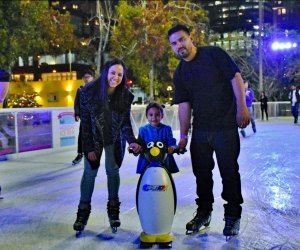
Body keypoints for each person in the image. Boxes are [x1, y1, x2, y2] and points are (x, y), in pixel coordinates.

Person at [168, 24, 250, 238]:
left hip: (224, 127)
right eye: (174, 43)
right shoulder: (180, 72)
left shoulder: (213, 54)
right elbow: (184, 104)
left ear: (190, 38)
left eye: (181, 39)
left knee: (229, 173)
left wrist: (242, 108)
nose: (179, 45)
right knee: (201, 175)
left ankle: (232, 216)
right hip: (201, 131)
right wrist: (184, 135)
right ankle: (204, 213)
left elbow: (236, 77)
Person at [73, 59, 141, 233]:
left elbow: (125, 122)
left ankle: (113, 210)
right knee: (89, 173)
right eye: (113, 73)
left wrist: (132, 141)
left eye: (120, 74)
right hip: (94, 139)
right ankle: (82, 212)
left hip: (114, 138)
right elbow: (86, 123)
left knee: (113, 171)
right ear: (105, 73)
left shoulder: (124, 96)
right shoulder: (88, 92)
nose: (116, 77)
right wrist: (88, 148)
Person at [136, 102, 179, 174]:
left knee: (165, 179)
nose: (154, 118)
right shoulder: (143, 129)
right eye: (151, 115)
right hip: (146, 162)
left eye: (157, 115)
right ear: (146, 116)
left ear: (162, 116)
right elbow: (139, 144)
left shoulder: (166, 129)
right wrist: (136, 148)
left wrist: (172, 147)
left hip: (164, 161)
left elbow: (172, 142)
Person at [72, 69, 94, 165]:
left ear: (92, 78)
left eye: (88, 77)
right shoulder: (80, 90)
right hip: (84, 119)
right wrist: (77, 114)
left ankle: (94, 153)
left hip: (94, 119)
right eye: (85, 77)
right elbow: (76, 103)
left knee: (95, 136)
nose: (86, 79)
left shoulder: (96, 90)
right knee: (81, 136)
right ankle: (80, 153)